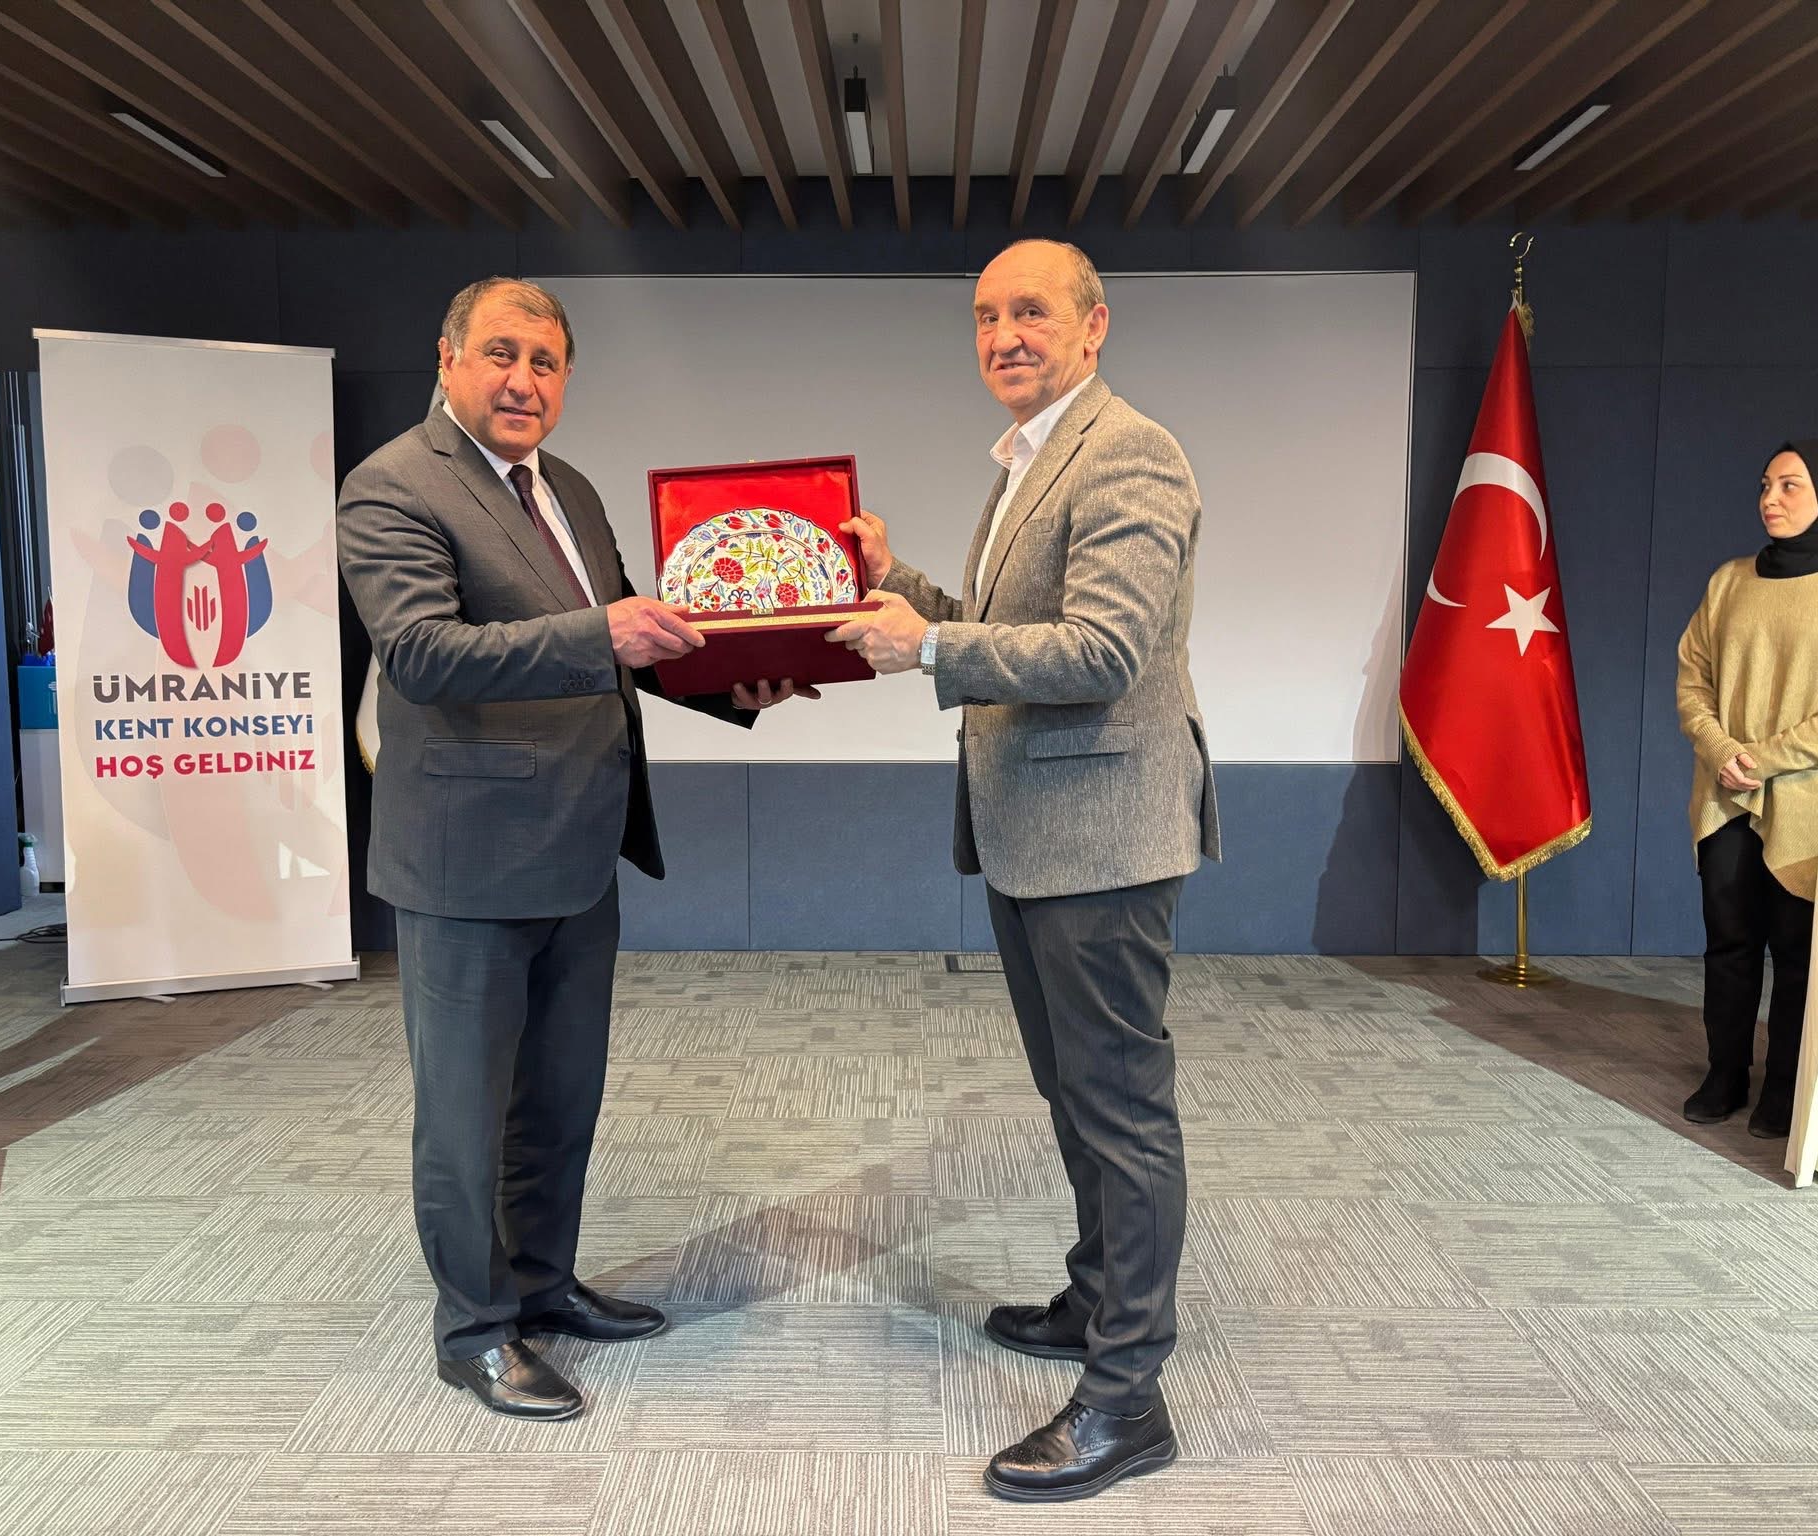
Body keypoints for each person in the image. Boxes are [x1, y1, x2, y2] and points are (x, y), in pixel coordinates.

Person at [337, 277, 809, 1420]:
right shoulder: (393, 484)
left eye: (544, 362)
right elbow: (423, 653)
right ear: (447, 357)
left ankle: (541, 1285)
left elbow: (638, 640)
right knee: (464, 1117)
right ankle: (473, 1329)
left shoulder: (573, 492)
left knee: (557, 1101)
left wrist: (733, 682)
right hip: (463, 861)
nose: (522, 381)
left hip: (578, 849)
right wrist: (602, 630)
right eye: (501, 354)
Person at [831, 239, 1219, 1503]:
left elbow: (1100, 650)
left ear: (1093, 326)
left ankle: (1125, 1400)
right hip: (1036, 834)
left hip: (1100, 836)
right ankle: (1097, 1300)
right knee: (1074, 1094)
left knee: (1119, 1108)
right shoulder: (1028, 459)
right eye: (986, 315)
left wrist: (924, 645)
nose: (1003, 334)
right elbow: (1012, 631)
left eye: (1032, 312)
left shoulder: (1128, 451)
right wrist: (896, 586)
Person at [1676, 440, 1818, 1138]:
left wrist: (1766, 759)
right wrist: (1723, 751)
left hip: (1814, 802)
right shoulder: (1729, 581)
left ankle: (1785, 1084)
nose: (1769, 499)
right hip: (1727, 794)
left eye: (1789, 485)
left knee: (1799, 952)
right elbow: (1693, 679)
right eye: (1765, 484)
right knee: (1728, 941)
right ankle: (1725, 1072)